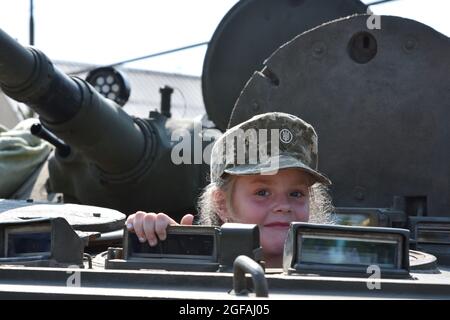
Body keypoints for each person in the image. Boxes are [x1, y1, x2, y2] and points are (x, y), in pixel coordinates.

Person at [126, 112, 334, 267]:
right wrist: (166, 244)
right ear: (222, 204)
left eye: (296, 194)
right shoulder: (203, 276)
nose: (283, 206)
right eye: (262, 192)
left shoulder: (335, 274)